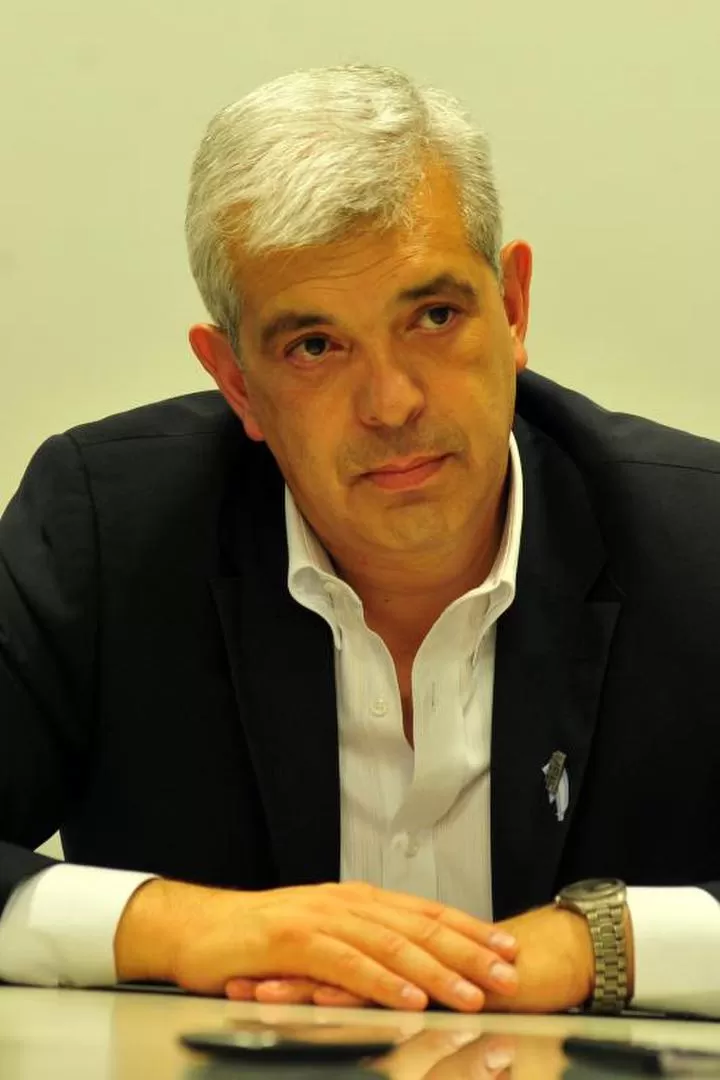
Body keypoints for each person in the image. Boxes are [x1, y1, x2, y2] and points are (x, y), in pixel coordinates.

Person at [0, 63, 718, 1017]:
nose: (392, 403)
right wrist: (183, 928)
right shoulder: (106, 527)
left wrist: (608, 945)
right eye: (315, 347)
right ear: (236, 382)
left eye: (435, 317)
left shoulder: (699, 540)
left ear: (513, 308)